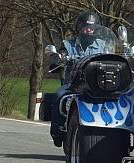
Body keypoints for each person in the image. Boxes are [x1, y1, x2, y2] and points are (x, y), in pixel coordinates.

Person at [48, 11, 113, 146]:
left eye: (92, 27)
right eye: (85, 26)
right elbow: (59, 56)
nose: (89, 30)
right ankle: (58, 132)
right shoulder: (68, 44)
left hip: (98, 84)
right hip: (74, 84)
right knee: (59, 95)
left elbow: (112, 56)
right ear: (78, 27)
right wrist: (59, 58)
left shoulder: (104, 45)